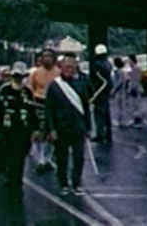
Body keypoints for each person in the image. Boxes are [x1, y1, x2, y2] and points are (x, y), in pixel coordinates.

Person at [46, 53, 91, 196]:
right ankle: (63, 184)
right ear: (61, 68)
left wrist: (88, 127)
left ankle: (77, 183)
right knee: (62, 158)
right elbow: (49, 110)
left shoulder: (81, 84)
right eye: (66, 67)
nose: (69, 70)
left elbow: (86, 107)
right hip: (61, 127)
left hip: (78, 127)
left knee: (79, 157)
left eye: (72, 67)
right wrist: (51, 129)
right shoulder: (54, 86)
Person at [0, 62, 38, 201]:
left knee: (20, 156)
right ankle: (10, 177)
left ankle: (17, 180)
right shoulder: (4, 90)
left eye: (20, 76)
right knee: (9, 155)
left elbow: (32, 112)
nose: (18, 78)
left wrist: (35, 129)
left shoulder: (27, 92)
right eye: (15, 76)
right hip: (8, 130)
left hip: (23, 131)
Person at [28, 48, 60, 174]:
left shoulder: (58, 72)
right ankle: (40, 159)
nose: (46, 58)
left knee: (52, 133)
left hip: (54, 104)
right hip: (39, 102)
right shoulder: (36, 73)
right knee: (39, 133)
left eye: (49, 56)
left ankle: (48, 159)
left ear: (53, 58)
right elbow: (31, 88)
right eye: (44, 56)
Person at [91, 44, 113, 143]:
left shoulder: (96, 65)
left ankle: (100, 135)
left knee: (99, 114)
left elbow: (94, 80)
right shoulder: (108, 63)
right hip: (107, 91)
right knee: (107, 113)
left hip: (99, 91)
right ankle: (109, 135)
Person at [127, 55, 143, 128]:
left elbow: (136, 80)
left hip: (135, 89)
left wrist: (133, 89)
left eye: (129, 60)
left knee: (137, 106)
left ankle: (138, 122)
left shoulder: (136, 68)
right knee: (134, 106)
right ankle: (134, 120)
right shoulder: (133, 68)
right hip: (133, 89)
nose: (128, 62)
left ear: (132, 60)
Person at [112, 57, 128, 127]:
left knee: (119, 107)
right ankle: (122, 121)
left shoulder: (118, 71)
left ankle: (120, 121)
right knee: (122, 107)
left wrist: (114, 89)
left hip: (119, 92)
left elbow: (120, 82)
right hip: (123, 91)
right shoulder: (122, 71)